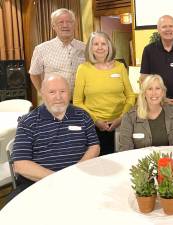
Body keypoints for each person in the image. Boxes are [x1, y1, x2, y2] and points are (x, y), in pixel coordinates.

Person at [7, 74, 100, 202]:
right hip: (39, 184)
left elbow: (94, 146)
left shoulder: (82, 116)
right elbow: (21, 165)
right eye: (52, 92)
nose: (58, 97)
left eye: (63, 91)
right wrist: (58, 178)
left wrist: (76, 171)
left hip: (79, 180)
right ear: (43, 94)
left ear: (69, 93)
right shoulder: (28, 122)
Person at [73, 31, 135, 156]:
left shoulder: (120, 67)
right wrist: (96, 121)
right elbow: (77, 101)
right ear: (90, 48)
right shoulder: (83, 69)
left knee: (121, 159)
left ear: (109, 46)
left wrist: (121, 118)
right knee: (98, 164)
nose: (100, 47)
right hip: (93, 126)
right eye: (96, 44)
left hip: (120, 124)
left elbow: (130, 96)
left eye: (103, 44)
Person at [119, 75, 173, 151]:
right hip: (140, 162)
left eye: (157, 88)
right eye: (150, 89)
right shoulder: (129, 118)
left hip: (170, 161)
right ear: (144, 93)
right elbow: (125, 151)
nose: (154, 93)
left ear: (163, 92)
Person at [29, 8, 85, 92]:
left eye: (69, 22)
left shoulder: (85, 47)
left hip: (80, 101)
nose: (65, 25)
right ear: (53, 26)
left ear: (74, 25)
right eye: (60, 22)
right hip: (55, 101)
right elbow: (34, 74)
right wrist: (43, 92)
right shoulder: (41, 49)